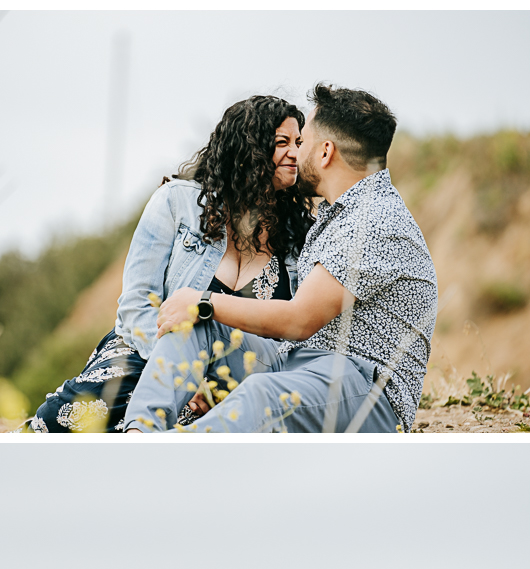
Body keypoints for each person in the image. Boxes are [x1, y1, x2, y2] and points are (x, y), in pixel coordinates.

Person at [123, 83, 437, 434]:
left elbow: (299, 320)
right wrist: (201, 312)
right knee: (199, 325)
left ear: (325, 152)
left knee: (259, 391)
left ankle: (165, 468)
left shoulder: (376, 220)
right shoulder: (338, 215)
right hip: (302, 366)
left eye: (302, 143)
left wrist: (204, 301)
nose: (294, 153)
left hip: (366, 388)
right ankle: (140, 437)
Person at [30, 95, 313, 433]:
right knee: (73, 414)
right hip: (149, 349)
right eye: (282, 143)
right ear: (248, 148)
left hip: (241, 377)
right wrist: (184, 374)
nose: (295, 153)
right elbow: (136, 306)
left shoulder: (301, 234)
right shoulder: (176, 202)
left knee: (204, 425)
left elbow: (295, 338)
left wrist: (218, 381)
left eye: (299, 142)